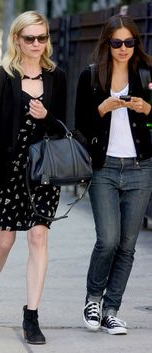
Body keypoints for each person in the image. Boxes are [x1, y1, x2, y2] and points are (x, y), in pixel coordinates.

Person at [0, 10, 66, 345]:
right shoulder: (3, 75)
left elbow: (66, 129)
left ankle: (31, 316)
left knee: (38, 238)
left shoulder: (57, 77)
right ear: (16, 39)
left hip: (42, 173)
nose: (37, 44)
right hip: (8, 172)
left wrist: (47, 116)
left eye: (42, 38)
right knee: (4, 242)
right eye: (30, 38)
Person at [75, 14, 152, 335]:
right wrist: (102, 109)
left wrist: (148, 110)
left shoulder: (147, 74)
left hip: (140, 168)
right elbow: (79, 125)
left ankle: (111, 309)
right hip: (104, 168)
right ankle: (93, 299)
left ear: (136, 43)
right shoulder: (91, 76)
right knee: (108, 240)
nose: (124, 49)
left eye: (130, 42)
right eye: (117, 43)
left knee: (128, 244)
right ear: (107, 43)